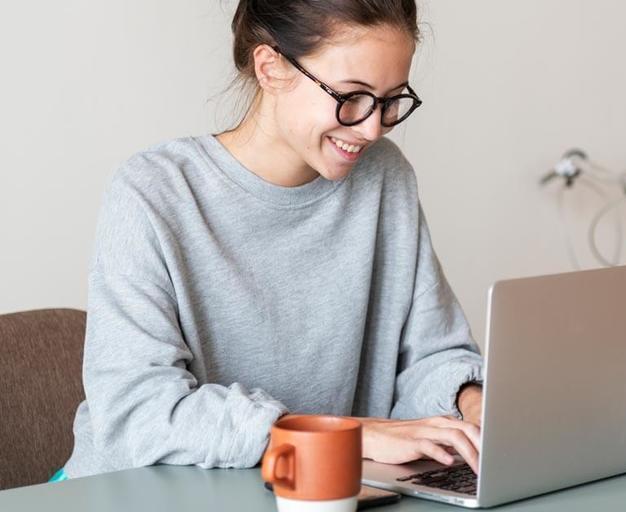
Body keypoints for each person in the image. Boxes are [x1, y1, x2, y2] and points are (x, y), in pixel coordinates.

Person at [60, 0, 484, 481]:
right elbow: (137, 414)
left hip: (310, 489)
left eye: (391, 101)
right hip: (135, 492)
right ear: (271, 67)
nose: (371, 128)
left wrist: (472, 404)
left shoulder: (384, 178)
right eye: (353, 96)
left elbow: (432, 355)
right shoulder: (153, 193)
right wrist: (341, 435)